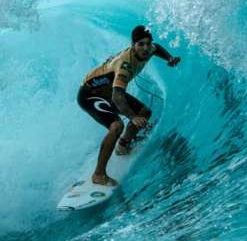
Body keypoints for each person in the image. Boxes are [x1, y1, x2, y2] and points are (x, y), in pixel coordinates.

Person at [77, 25, 181, 186]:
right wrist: (132, 117)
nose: (145, 48)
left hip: (108, 91)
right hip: (90, 94)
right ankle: (98, 174)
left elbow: (157, 48)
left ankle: (123, 145)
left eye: (148, 43)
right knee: (116, 125)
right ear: (133, 45)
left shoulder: (149, 49)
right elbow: (117, 97)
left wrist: (169, 58)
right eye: (141, 44)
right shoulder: (125, 65)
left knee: (144, 112)